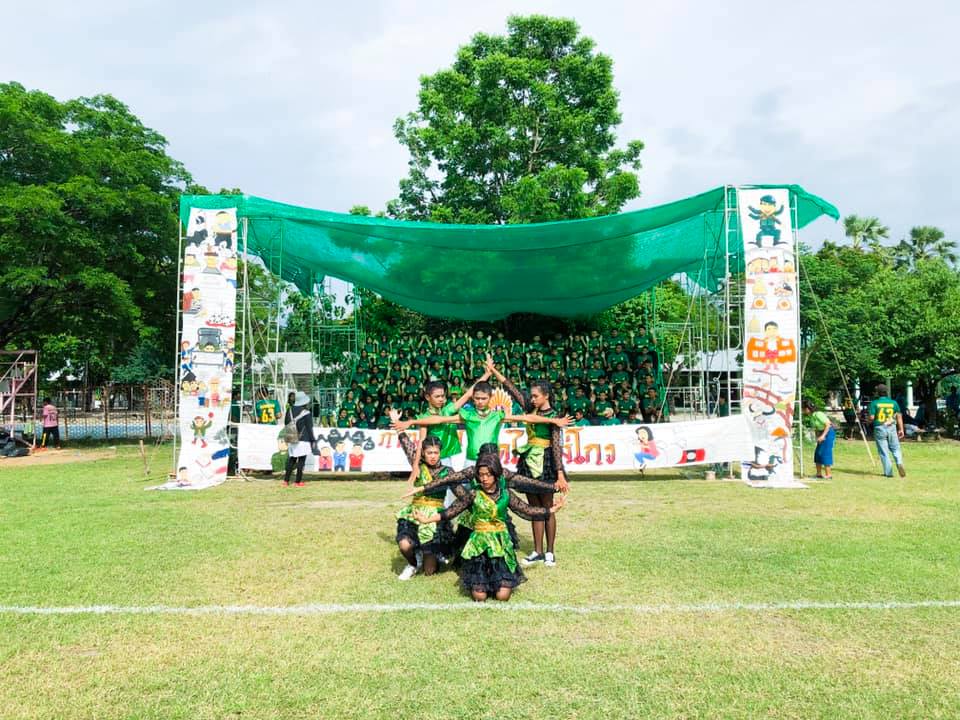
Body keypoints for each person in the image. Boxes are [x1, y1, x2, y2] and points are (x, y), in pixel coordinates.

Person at [414, 454, 565, 602]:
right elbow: (451, 511)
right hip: (479, 545)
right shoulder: (474, 494)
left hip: (500, 544)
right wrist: (426, 519)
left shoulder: (505, 494)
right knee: (480, 596)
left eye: (488, 475)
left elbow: (526, 509)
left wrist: (550, 510)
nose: (484, 478)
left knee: (502, 596)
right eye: (481, 475)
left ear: (496, 474)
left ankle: (497, 582)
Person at [393, 433, 457, 580]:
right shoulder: (418, 467)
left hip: (435, 516)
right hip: (415, 514)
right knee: (404, 545)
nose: (433, 456)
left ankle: (429, 553)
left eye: (436, 452)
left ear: (440, 453)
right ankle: (413, 563)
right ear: (423, 453)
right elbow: (407, 445)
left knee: (430, 571)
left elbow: (460, 495)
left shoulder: (448, 471)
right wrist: (399, 429)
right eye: (429, 453)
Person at [868, 384, 906, 478]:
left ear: (877, 393)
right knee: (895, 448)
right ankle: (899, 462)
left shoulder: (874, 403)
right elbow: (899, 416)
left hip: (879, 427)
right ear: (886, 392)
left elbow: (872, 417)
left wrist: (867, 421)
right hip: (891, 426)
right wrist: (901, 429)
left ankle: (888, 473)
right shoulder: (894, 403)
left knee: (883, 451)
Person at [283, 391, 314, 487]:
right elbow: (309, 427)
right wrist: (312, 440)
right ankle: (298, 481)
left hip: (292, 436)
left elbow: (286, 423)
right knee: (301, 460)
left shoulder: (289, 410)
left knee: (291, 459)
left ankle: (286, 481)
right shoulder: (306, 412)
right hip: (303, 438)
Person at [803, 399, 835, 479]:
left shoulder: (818, 414)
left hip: (828, 433)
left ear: (807, 408)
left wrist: (823, 436)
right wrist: (817, 437)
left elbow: (828, 424)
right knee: (818, 453)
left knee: (825, 453)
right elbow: (816, 428)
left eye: (803, 409)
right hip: (821, 433)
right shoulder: (812, 416)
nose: (802, 411)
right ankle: (818, 474)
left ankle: (828, 475)